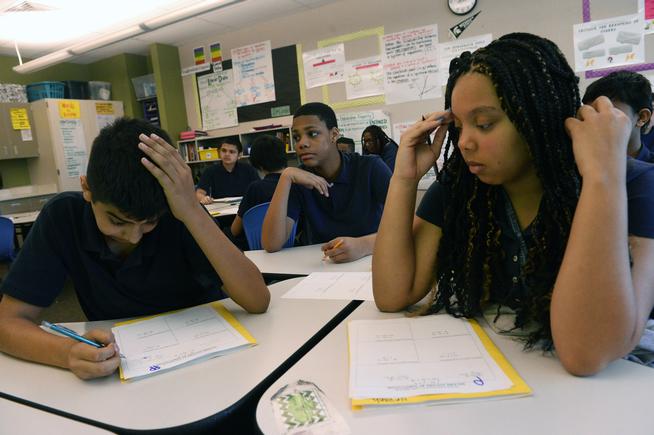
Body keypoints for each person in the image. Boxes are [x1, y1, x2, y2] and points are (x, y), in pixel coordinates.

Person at [373, 33, 654, 376]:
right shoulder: (463, 186)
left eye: (484, 124)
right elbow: (392, 294)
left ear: (537, 116)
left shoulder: (632, 183)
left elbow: (585, 355)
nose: (464, 143)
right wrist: (404, 179)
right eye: (460, 127)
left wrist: (601, 178)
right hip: (502, 374)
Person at [0, 118, 270, 380]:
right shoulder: (63, 217)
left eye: (149, 222)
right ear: (87, 189)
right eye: (117, 221)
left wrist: (191, 210)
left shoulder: (178, 212)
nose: (133, 236)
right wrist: (68, 352)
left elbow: (257, 300)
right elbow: (7, 323)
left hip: (207, 360)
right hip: (124, 371)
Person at [262, 102, 392, 263]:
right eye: (296, 137)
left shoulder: (370, 167)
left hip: (372, 262)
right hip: (322, 268)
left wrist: (363, 245)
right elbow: (271, 244)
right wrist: (285, 177)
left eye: (313, 133)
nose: (301, 143)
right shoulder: (299, 178)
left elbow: (408, 225)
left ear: (334, 134)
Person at [582, 71, 654, 163]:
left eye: (610, 113)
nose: (595, 122)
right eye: (590, 113)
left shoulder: (650, 171)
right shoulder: (579, 167)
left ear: (641, 117)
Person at [231, 134, 287, 241]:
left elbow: (235, 230)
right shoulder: (298, 184)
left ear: (258, 164)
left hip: (259, 246)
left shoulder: (256, 188)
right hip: (294, 245)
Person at [195, 137, 260, 204]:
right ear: (219, 152)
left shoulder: (249, 170)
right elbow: (199, 193)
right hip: (219, 209)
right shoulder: (209, 171)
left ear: (239, 155)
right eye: (224, 150)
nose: (227, 154)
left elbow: (259, 190)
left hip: (243, 208)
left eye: (232, 152)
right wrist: (204, 198)